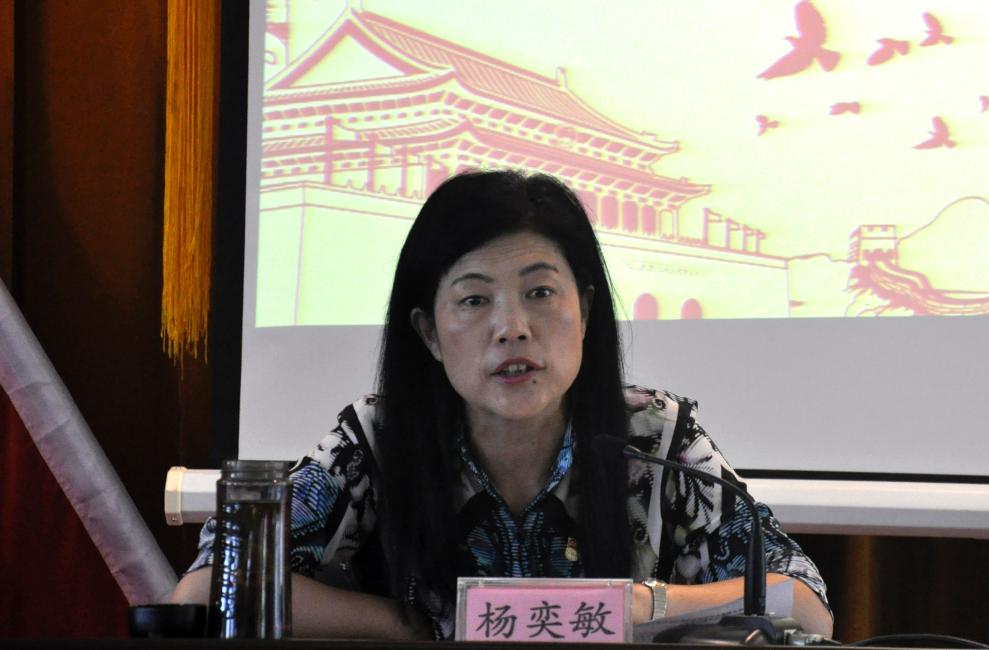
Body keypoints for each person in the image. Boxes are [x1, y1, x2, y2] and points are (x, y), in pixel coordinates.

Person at [172, 170, 833, 639]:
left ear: (585, 311)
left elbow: (805, 604)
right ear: (429, 334)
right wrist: (415, 626)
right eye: (474, 299)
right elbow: (209, 587)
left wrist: (641, 606)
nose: (512, 327)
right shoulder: (378, 440)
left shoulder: (656, 438)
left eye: (540, 293)